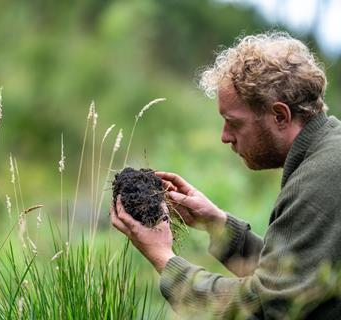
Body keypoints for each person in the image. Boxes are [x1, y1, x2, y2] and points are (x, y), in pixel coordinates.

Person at [110, 31, 341, 319]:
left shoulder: (321, 182)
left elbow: (267, 309)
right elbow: (293, 277)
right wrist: (217, 225)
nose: (224, 136)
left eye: (233, 123)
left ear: (280, 116)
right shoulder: (328, 156)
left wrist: (164, 258)